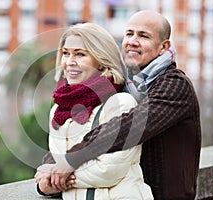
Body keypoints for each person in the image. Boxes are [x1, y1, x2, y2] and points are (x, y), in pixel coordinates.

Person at [38, 10, 202, 200]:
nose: (132, 41)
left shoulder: (174, 85)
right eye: (129, 33)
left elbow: (128, 126)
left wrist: (69, 161)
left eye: (143, 36)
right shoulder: (122, 84)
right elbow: (78, 131)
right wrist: (49, 172)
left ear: (163, 47)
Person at [35, 22, 153, 199]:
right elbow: (57, 164)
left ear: (101, 60)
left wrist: (54, 176)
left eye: (80, 54)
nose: (69, 62)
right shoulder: (58, 111)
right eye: (65, 53)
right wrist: (44, 186)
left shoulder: (121, 104)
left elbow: (109, 170)